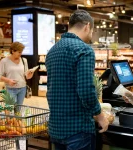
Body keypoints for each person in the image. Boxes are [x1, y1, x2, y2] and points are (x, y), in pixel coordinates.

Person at [46, 10, 109, 150]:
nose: (91, 35)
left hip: (56, 128)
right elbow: (86, 90)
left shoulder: (52, 51)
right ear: (87, 26)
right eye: (92, 31)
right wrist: (100, 116)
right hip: (78, 129)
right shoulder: (84, 50)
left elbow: (51, 88)